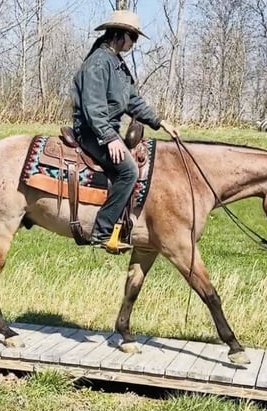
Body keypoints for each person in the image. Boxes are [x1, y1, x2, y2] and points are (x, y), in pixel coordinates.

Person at [71, 9, 179, 252]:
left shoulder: (117, 64)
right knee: (129, 171)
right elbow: (93, 107)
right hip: (90, 131)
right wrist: (109, 138)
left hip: (104, 129)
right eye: (133, 37)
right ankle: (102, 231)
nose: (134, 43)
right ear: (119, 34)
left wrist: (160, 122)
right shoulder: (98, 63)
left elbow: (132, 101)